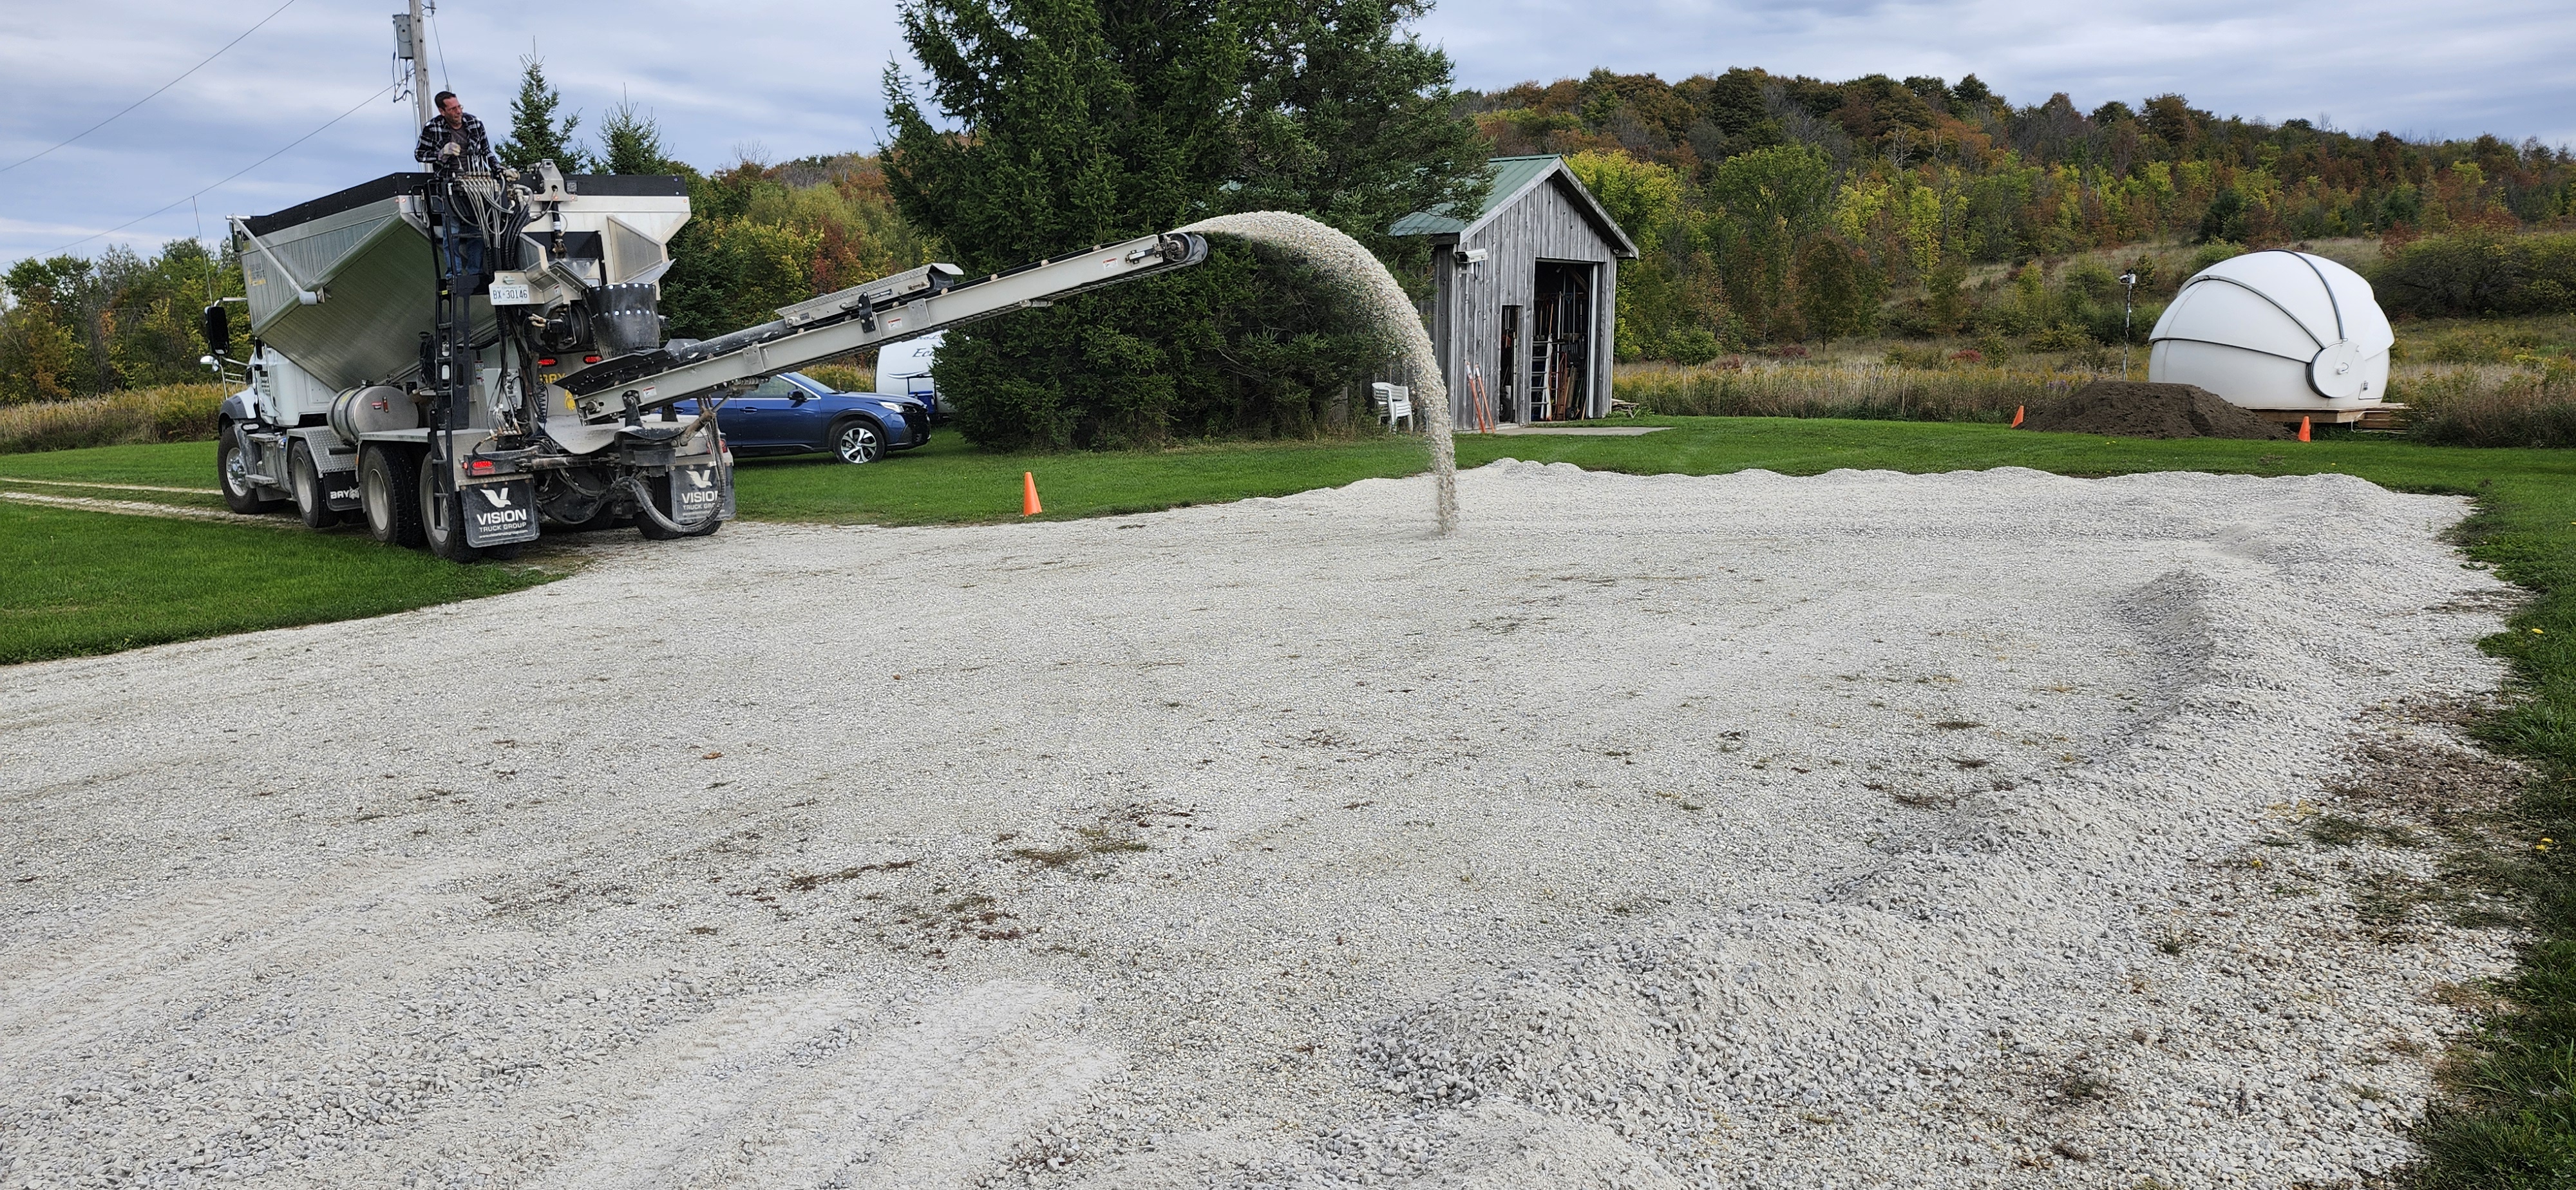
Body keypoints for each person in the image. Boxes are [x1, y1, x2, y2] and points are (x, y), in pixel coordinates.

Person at [413, 91, 497, 173]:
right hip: (447, 180)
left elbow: (486, 151)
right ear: (442, 111)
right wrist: (441, 154)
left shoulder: (475, 123)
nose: (459, 111)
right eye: (453, 109)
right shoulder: (432, 128)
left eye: (459, 107)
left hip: (477, 178)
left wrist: (499, 168)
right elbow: (420, 155)